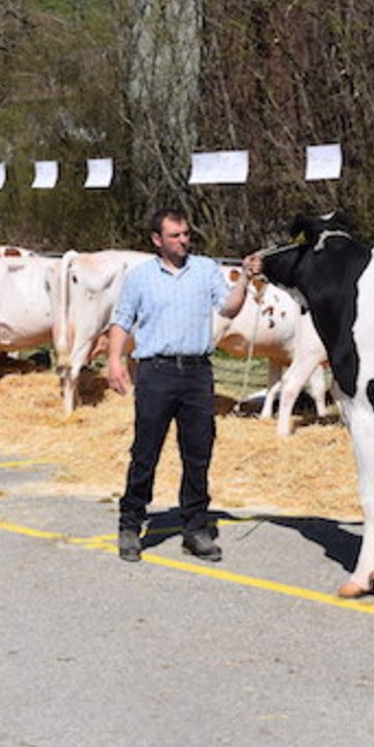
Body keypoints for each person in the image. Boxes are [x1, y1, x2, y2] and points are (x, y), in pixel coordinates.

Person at [106, 208, 260, 563]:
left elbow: (229, 309)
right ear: (157, 240)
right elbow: (122, 320)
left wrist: (244, 281)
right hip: (156, 372)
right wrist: (114, 360)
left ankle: (195, 528)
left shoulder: (205, 269)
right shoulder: (140, 277)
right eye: (175, 236)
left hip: (196, 373)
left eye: (186, 234)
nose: (183, 240)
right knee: (146, 451)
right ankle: (130, 524)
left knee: (198, 452)